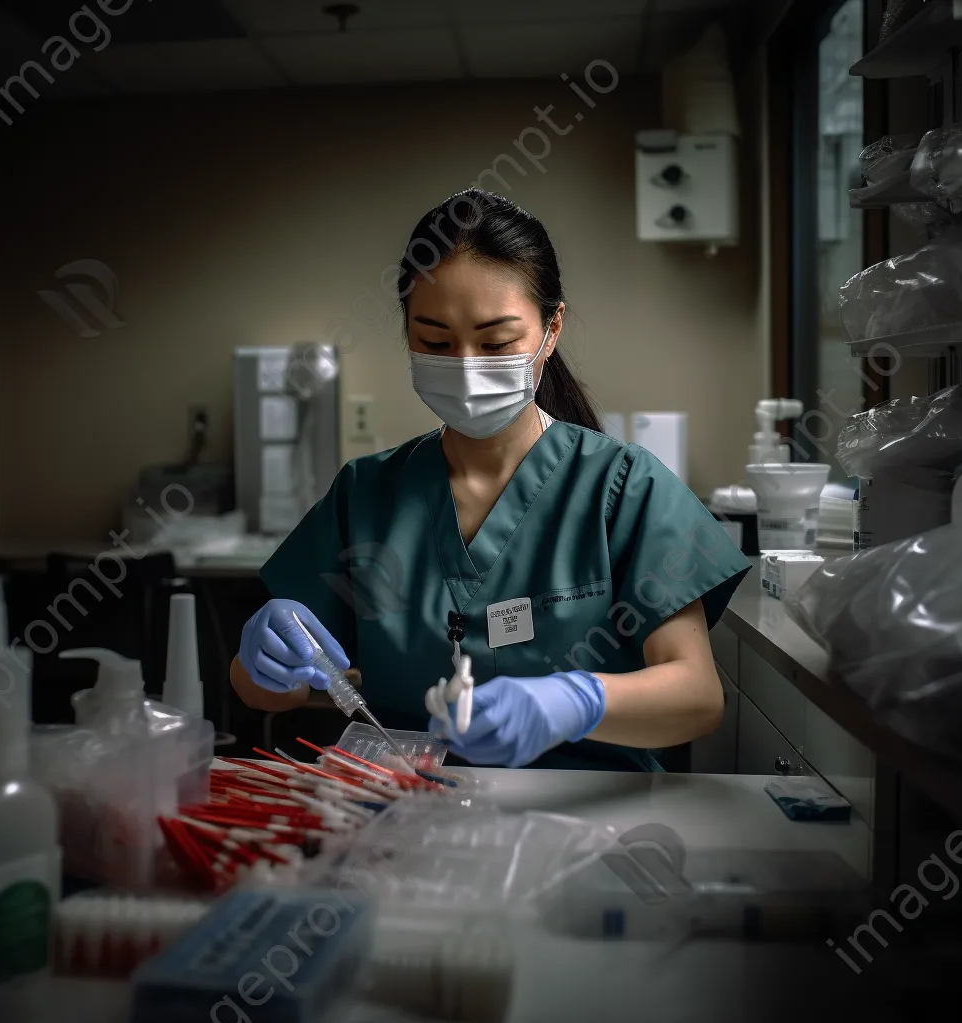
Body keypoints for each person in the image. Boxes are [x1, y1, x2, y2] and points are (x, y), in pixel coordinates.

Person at [231, 188, 750, 771]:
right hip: (409, 823)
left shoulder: (623, 488)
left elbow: (698, 699)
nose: (467, 366)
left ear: (550, 331)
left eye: (497, 343)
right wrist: (264, 662)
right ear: (408, 335)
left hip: (594, 831)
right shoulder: (366, 495)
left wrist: (578, 701)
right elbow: (271, 692)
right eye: (435, 342)